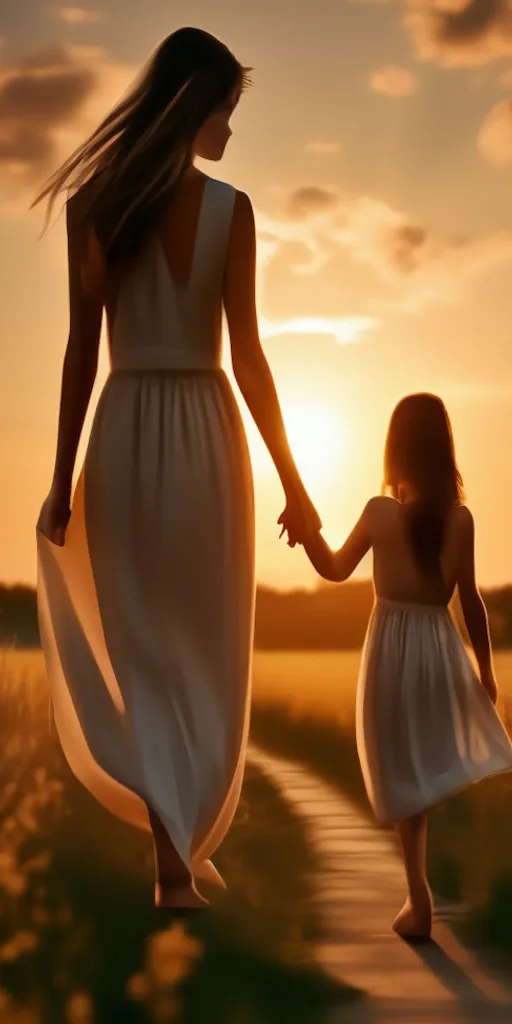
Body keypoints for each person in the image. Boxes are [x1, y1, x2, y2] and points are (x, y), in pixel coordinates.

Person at [34, 27, 320, 910]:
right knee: (199, 645)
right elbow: (252, 360)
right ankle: (174, 858)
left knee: (145, 645)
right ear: (198, 104)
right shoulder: (232, 210)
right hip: (205, 431)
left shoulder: (94, 204)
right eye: (227, 111)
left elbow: (83, 353)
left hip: (122, 429)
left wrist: (61, 475)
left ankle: (172, 853)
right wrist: (294, 484)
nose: (231, 132)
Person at [281, 393, 512, 939]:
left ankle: (418, 897)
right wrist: (487, 670)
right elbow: (471, 603)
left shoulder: (379, 513)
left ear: (397, 451)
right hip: (438, 652)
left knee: (397, 766)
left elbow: (334, 568)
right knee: (416, 768)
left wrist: (307, 533)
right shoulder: (462, 520)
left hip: (390, 649)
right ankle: (418, 896)